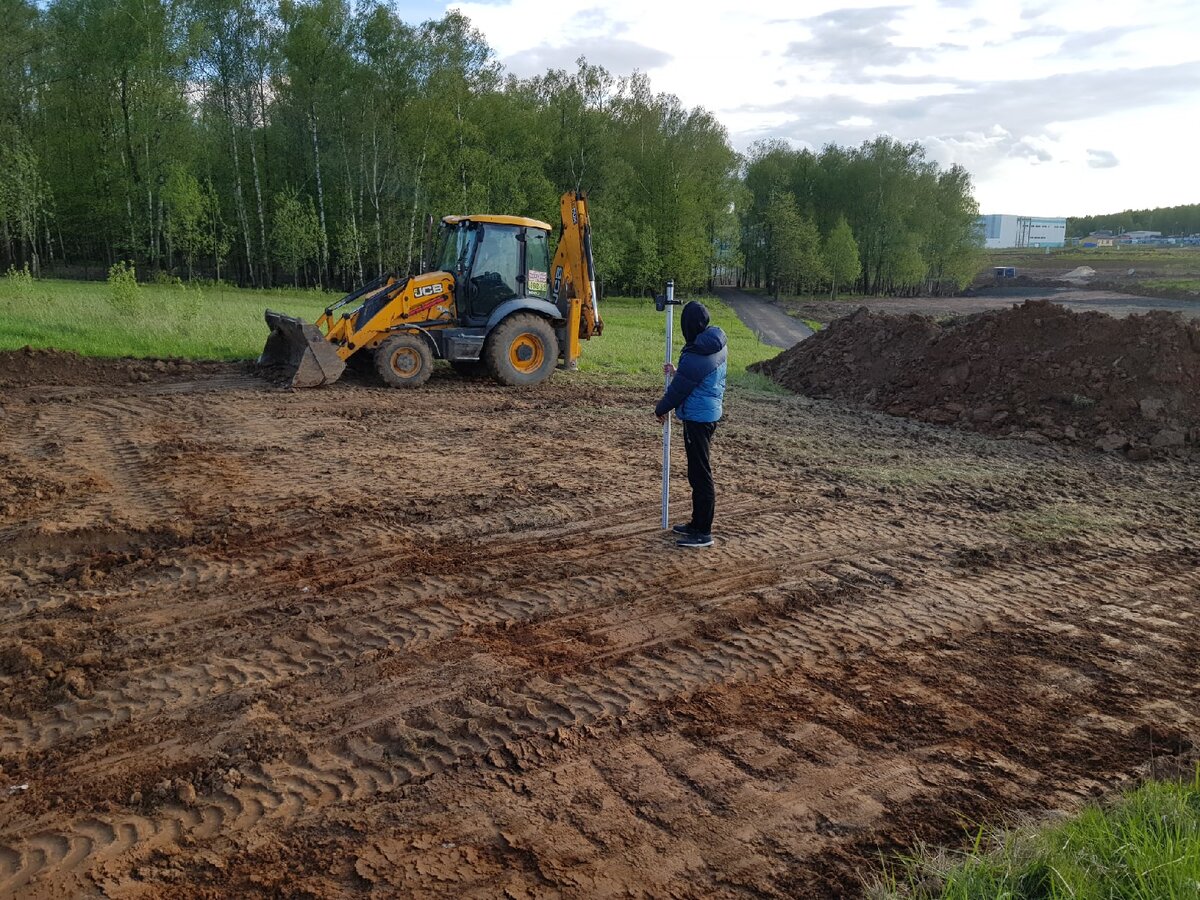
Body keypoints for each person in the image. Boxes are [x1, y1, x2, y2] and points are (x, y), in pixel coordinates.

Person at [654, 301, 727, 548]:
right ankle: (697, 524)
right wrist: (679, 371)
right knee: (697, 472)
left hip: (698, 419)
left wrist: (660, 409)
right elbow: (698, 378)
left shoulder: (697, 355)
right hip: (707, 414)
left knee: (700, 474)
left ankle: (703, 532)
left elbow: (679, 390)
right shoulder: (714, 343)